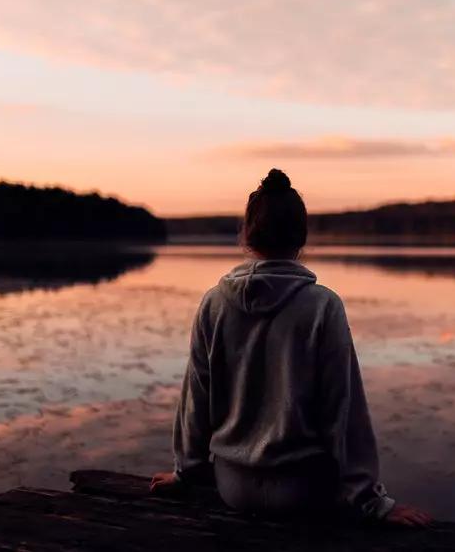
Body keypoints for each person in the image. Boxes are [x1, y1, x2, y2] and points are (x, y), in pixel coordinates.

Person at [150, 169, 431, 527]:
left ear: (246, 234)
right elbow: (344, 411)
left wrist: (185, 473)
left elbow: (196, 402)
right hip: (305, 490)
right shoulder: (322, 305)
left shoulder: (214, 302)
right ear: (302, 236)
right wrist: (373, 502)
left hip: (232, 487)